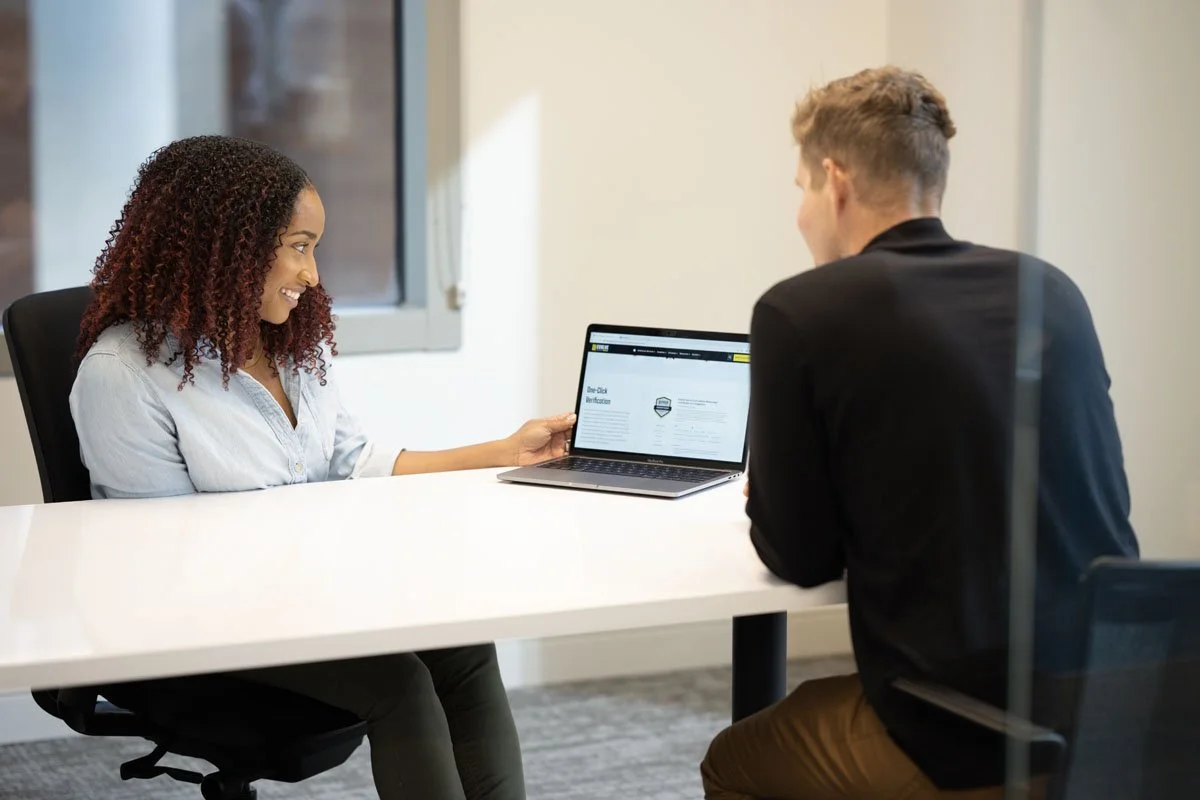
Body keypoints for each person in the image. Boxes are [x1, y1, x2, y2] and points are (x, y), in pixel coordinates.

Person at [69, 134, 575, 800]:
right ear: (226, 248)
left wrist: (504, 452)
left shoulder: (290, 345)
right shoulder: (124, 376)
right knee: (398, 681)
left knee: (465, 644)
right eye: (300, 248)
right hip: (204, 618)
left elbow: (349, 463)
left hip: (305, 592)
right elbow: (163, 558)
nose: (312, 277)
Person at [700, 67, 1139, 799]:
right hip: (1115, 714)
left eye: (801, 188)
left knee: (737, 759)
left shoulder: (801, 311)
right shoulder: (1050, 290)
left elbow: (799, 557)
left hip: (971, 734)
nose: (802, 212)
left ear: (834, 180)